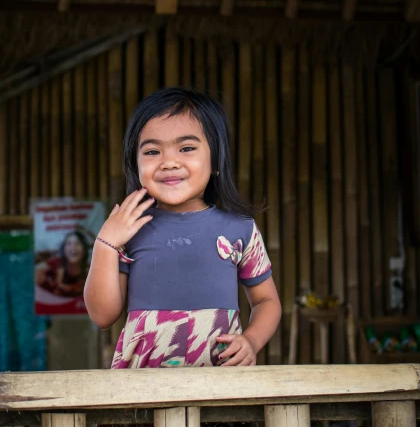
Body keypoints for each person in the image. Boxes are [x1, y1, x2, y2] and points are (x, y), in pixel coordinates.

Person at [83, 87, 281, 368]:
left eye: (186, 148)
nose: (169, 162)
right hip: (143, 392)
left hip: (220, 387)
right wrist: (105, 243)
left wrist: (251, 340)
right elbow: (102, 316)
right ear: (134, 164)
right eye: (152, 151)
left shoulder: (242, 229)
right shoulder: (128, 231)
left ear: (216, 160)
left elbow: (266, 301)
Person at [36, 230, 89, 297]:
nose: (73, 247)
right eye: (69, 244)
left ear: (84, 249)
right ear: (64, 249)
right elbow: (36, 271)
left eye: (77, 244)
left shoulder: (90, 270)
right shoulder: (55, 263)